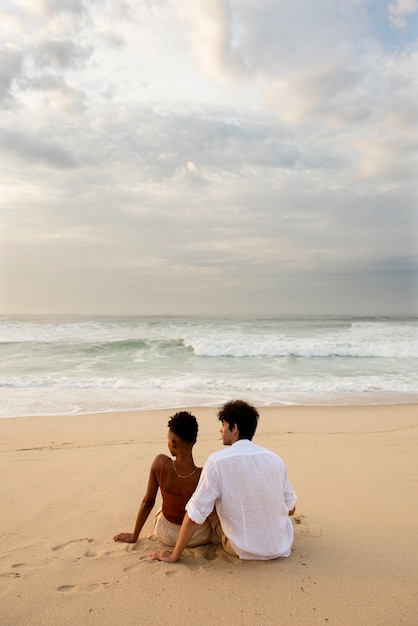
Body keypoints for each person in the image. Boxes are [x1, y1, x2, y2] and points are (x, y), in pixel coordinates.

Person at [149, 400, 297, 562]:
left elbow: (195, 514)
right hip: (280, 544)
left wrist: (174, 555)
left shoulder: (217, 461)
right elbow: (290, 509)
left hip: (241, 547)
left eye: (224, 425)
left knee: (210, 505)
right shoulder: (275, 459)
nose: (220, 429)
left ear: (234, 429)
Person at [113, 411, 212, 547]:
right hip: (194, 537)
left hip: (164, 533)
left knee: (161, 508)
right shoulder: (204, 474)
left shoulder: (160, 464)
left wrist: (134, 536)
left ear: (173, 443)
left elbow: (148, 503)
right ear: (194, 441)